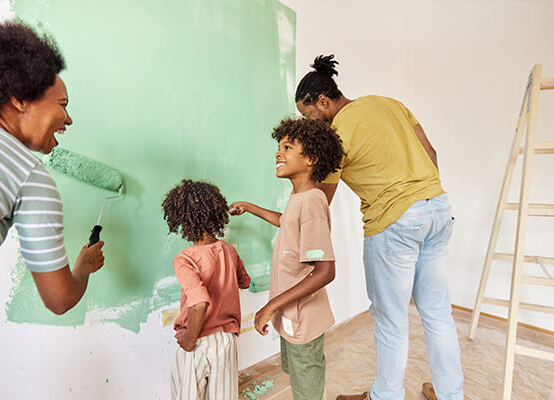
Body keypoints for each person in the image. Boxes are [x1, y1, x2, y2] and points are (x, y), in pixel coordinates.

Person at [0, 20, 106, 398]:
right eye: (62, 105)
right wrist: (81, 268)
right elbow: (60, 299)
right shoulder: (28, 175)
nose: (69, 119)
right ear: (19, 97)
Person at [294, 55, 464, 400]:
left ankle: (384, 396)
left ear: (323, 102)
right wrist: (418, 196)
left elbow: (317, 200)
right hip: (437, 209)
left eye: (310, 117)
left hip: (394, 222)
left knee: (391, 320)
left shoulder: (337, 136)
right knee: (437, 312)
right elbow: (430, 152)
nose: (313, 127)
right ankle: (450, 395)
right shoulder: (388, 103)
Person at [230, 118, 343, 400]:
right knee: (299, 380)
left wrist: (271, 306)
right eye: (279, 147)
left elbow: (325, 271)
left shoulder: (312, 202)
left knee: (308, 390)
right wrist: (250, 207)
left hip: (304, 319)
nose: (278, 153)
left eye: (288, 147)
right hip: (292, 316)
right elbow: (287, 222)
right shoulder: (299, 197)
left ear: (311, 159)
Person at [162, 179, 251, 400]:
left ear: (182, 221)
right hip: (226, 340)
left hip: (198, 339)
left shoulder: (185, 259)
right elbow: (245, 282)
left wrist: (190, 339)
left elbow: (200, 301)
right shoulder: (228, 250)